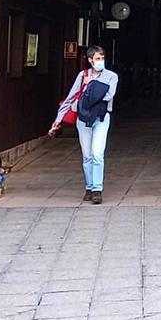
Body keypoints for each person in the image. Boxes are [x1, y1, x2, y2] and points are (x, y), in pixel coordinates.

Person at [49, 46, 118, 204]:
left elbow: (108, 95)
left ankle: (97, 189)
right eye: (97, 58)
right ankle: (89, 186)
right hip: (83, 118)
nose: (100, 61)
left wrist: (92, 83)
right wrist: (58, 119)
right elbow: (72, 96)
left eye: (102, 58)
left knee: (97, 153)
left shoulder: (111, 76)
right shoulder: (82, 75)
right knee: (87, 155)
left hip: (101, 117)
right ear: (90, 60)